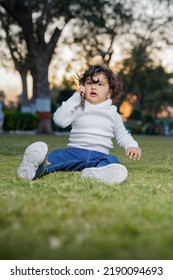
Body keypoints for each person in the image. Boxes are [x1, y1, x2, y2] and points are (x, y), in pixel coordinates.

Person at [17, 64, 141, 184]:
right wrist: (76, 97)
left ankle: (97, 174)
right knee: (58, 156)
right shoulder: (78, 107)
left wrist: (132, 145)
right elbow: (59, 120)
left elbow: (122, 134)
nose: (93, 87)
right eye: (89, 83)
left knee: (113, 161)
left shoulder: (113, 113)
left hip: (100, 156)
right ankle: (35, 169)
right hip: (75, 152)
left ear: (109, 92)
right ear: (83, 88)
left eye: (100, 84)